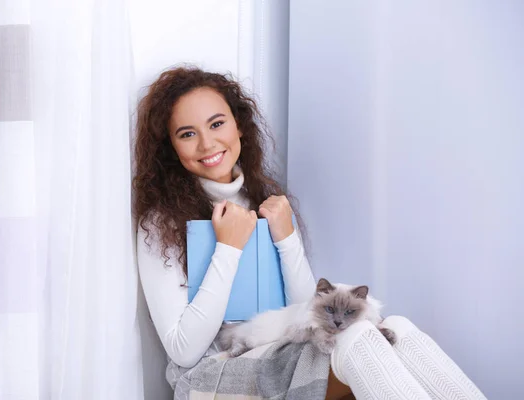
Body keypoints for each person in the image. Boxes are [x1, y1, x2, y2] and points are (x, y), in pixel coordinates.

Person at [133, 66, 486, 400]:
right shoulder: (160, 222)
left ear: (238, 126)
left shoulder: (263, 200)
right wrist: (227, 249)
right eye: (187, 134)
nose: (207, 144)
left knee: (397, 330)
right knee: (360, 337)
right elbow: (183, 350)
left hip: (280, 347)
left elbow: (306, 309)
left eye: (216, 124)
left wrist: (287, 239)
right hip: (213, 371)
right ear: (172, 147)